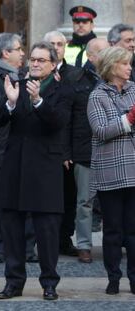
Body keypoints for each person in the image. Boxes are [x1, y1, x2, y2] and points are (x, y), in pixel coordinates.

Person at [0, 42, 71, 300]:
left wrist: (38, 101)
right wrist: (10, 103)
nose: (35, 63)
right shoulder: (16, 85)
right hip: (15, 167)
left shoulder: (61, 90)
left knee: (47, 231)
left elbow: (58, 122)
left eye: (41, 60)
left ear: (52, 64)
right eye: (33, 59)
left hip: (45, 170)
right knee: (12, 229)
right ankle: (13, 282)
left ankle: (49, 282)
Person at [0, 33, 37, 264]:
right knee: (1, 202)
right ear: (5, 53)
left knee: (29, 199)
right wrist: (12, 99)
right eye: (19, 48)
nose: (23, 53)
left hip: (26, 148)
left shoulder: (26, 75)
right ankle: (0, 248)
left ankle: (28, 247)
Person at [87, 46, 135, 295]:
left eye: (130, 63)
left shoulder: (134, 90)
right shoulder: (98, 96)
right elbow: (101, 130)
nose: (129, 67)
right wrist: (128, 119)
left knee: (133, 230)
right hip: (110, 172)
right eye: (125, 63)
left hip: (133, 169)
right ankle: (113, 277)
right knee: (113, 230)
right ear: (112, 66)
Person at [61, 38, 109, 264]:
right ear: (91, 56)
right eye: (103, 51)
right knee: (85, 201)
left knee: (113, 201)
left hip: (112, 150)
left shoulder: (117, 79)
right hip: (84, 150)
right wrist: (66, 151)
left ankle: (114, 242)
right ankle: (84, 245)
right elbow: (68, 119)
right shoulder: (76, 79)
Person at [44, 30, 80, 257]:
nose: (56, 47)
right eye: (52, 44)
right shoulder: (34, 74)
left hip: (68, 149)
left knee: (69, 197)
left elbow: (75, 117)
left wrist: (68, 150)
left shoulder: (76, 75)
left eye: (60, 43)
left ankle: (64, 239)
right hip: (43, 146)